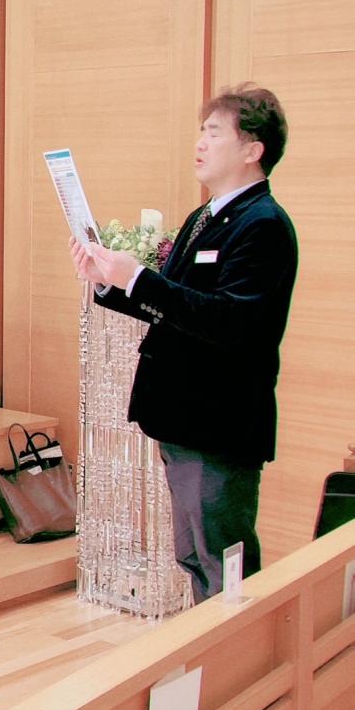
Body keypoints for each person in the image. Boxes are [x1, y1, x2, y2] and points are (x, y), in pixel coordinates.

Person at [71, 85, 298, 603]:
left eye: (214, 133)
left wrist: (139, 278)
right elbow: (170, 305)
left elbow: (230, 321)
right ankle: (214, 648)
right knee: (193, 554)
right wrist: (110, 282)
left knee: (223, 559)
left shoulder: (262, 224)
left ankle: (240, 650)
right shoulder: (204, 217)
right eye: (201, 131)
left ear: (252, 149)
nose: (200, 143)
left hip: (219, 421)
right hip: (180, 415)